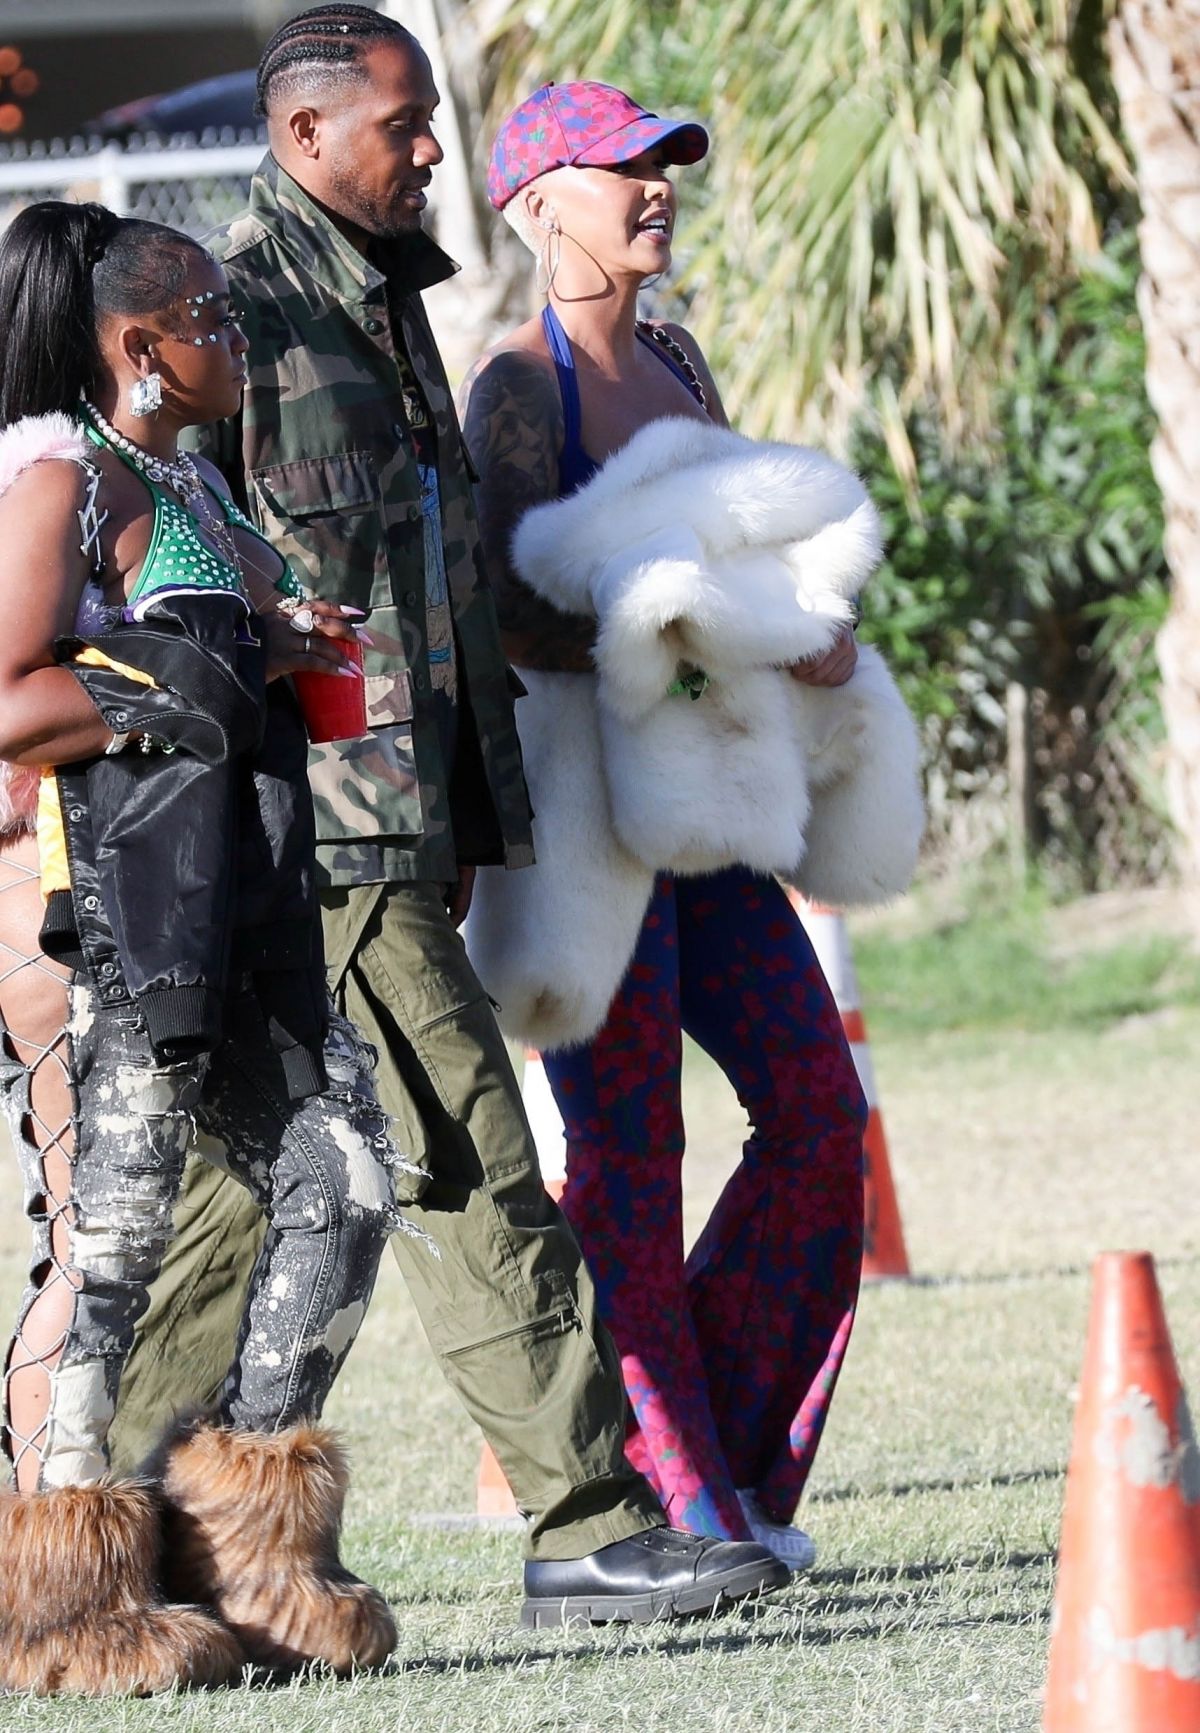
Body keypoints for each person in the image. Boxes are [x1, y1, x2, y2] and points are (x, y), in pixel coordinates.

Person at [111, 2, 786, 1631]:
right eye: (406, 127)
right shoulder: (233, 309)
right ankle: (587, 1519)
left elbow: (441, 594)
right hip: (307, 830)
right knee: (468, 1156)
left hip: (403, 819)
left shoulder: (381, 301)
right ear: (303, 137)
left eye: (427, 124)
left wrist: (477, 802)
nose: (432, 152)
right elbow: (149, 539)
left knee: (244, 1191)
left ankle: (90, 1517)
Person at [459, 80, 869, 1566]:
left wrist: (804, 621)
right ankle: (668, 1502)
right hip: (589, 842)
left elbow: (744, 545)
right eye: (621, 166)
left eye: (665, 165)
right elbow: (512, 614)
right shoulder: (517, 388)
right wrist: (711, 632)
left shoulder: (681, 360)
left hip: (713, 819)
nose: (655, 187)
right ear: (536, 202)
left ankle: (731, 1469)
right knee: (626, 1163)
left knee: (824, 1120)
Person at [0, 200, 405, 1693]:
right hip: (119, 927)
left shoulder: (187, 477)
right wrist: (164, 690)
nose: (239, 344)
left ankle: (241, 1552)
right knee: (108, 1246)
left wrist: (273, 644)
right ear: (142, 347)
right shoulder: (59, 472)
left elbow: (200, 653)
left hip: (243, 902)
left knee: (343, 1179)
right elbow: (12, 692)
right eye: (216, 325)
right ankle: (61, 1600)